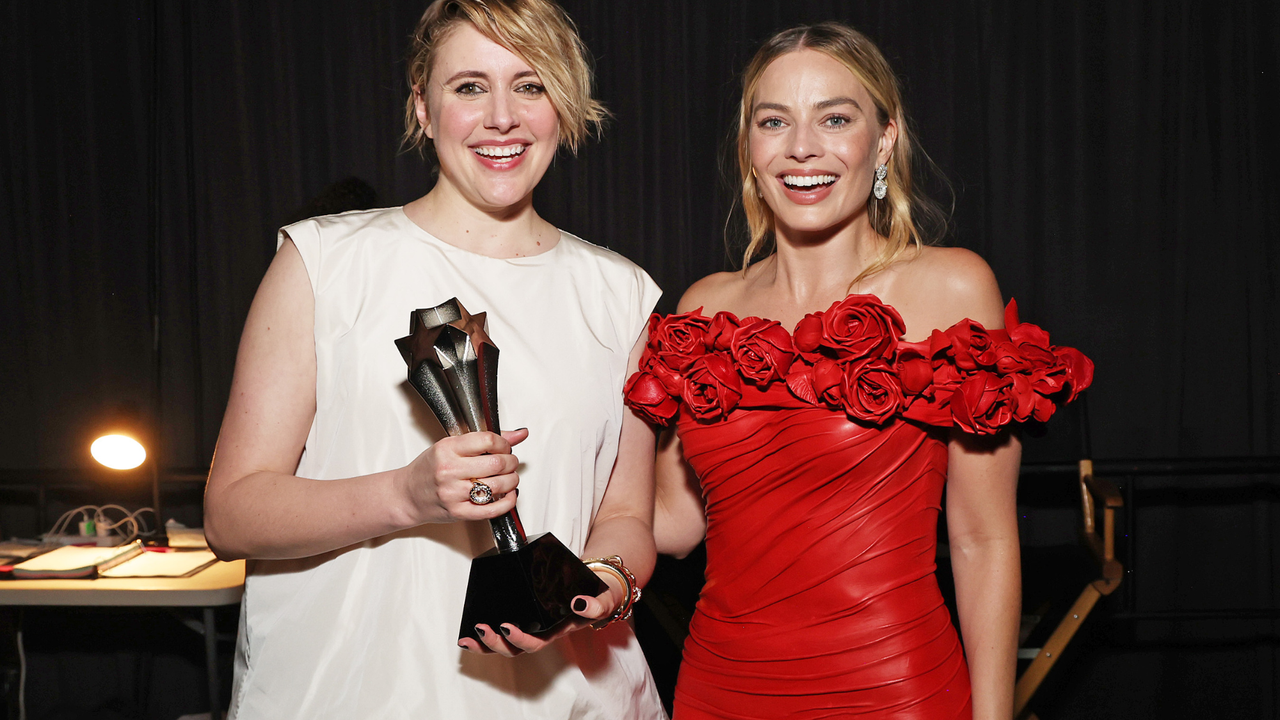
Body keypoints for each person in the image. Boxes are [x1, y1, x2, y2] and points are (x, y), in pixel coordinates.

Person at [204, 1, 666, 717]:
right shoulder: (323, 264)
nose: (502, 117)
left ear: (564, 106)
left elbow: (629, 513)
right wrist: (405, 495)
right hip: (348, 690)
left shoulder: (622, 294)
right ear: (422, 105)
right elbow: (232, 514)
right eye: (469, 87)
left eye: (531, 84)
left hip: (564, 696)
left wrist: (602, 584)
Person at [623, 22, 1093, 720]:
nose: (802, 147)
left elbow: (983, 537)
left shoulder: (954, 288)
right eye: (774, 121)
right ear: (750, 150)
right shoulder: (704, 305)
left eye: (835, 118)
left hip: (893, 690)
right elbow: (672, 521)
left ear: (884, 140)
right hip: (720, 690)